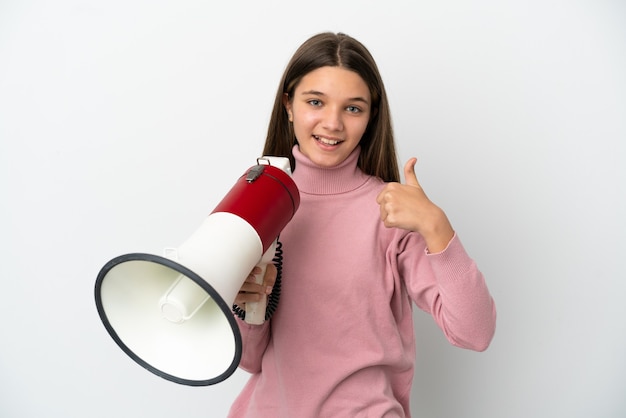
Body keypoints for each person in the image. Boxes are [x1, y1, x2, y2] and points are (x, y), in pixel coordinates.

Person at [228, 32, 496, 418]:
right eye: (315, 102)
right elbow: (251, 360)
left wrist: (437, 226)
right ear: (288, 104)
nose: (332, 123)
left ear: (371, 117)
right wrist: (248, 309)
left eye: (353, 108)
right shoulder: (258, 199)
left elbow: (475, 333)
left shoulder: (391, 212)